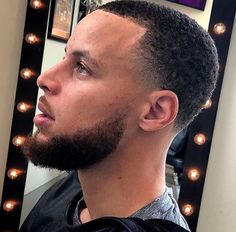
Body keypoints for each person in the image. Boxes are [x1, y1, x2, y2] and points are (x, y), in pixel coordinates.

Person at [20, 0, 219, 231]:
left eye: (82, 67)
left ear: (156, 111)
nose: (44, 79)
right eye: (66, 57)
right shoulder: (66, 193)